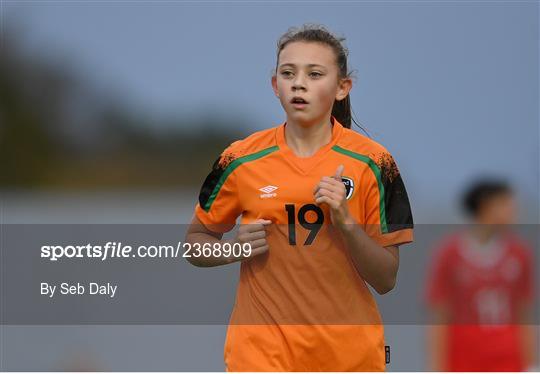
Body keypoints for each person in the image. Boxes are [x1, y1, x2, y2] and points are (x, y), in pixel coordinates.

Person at [185, 23, 414, 371]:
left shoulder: (376, 163)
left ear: (342, 87)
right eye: (288, 73)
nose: (299, 83)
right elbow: (194, 243)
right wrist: (232, 248)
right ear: (275, 85)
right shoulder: (238, 158)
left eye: (315, 73)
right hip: (260, 355)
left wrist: (347, 224)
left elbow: (386, 280)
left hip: (347, 357)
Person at [425, 178, 537, 371]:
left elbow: (525, 314)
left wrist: (532, 364)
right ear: (486, 206)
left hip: (508, 358)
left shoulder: (519, 255)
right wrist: (437, 367)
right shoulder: (450, 255)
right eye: (506, 204)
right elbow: (439, 315)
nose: (513, 211)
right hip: (464, 358)